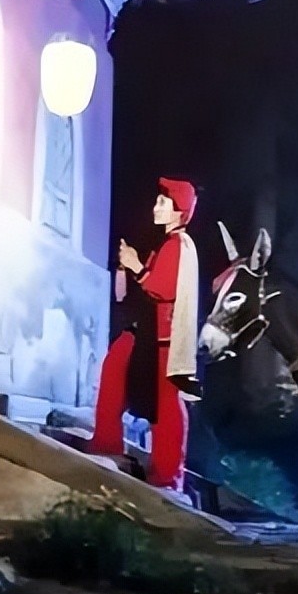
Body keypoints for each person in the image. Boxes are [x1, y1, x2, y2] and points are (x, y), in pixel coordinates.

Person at [86, 178, 200, 490]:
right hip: (146, 331)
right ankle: (107, 444)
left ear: (178, 211)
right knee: (115, 369)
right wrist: (127, 267)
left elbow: (162, 288)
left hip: (164, 338)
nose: (155, 207)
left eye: (163, 203)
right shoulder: (166, 244)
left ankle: (168, 475)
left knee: (166, 403)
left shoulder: (179, 245)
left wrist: (136, 266)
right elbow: (134, 292)